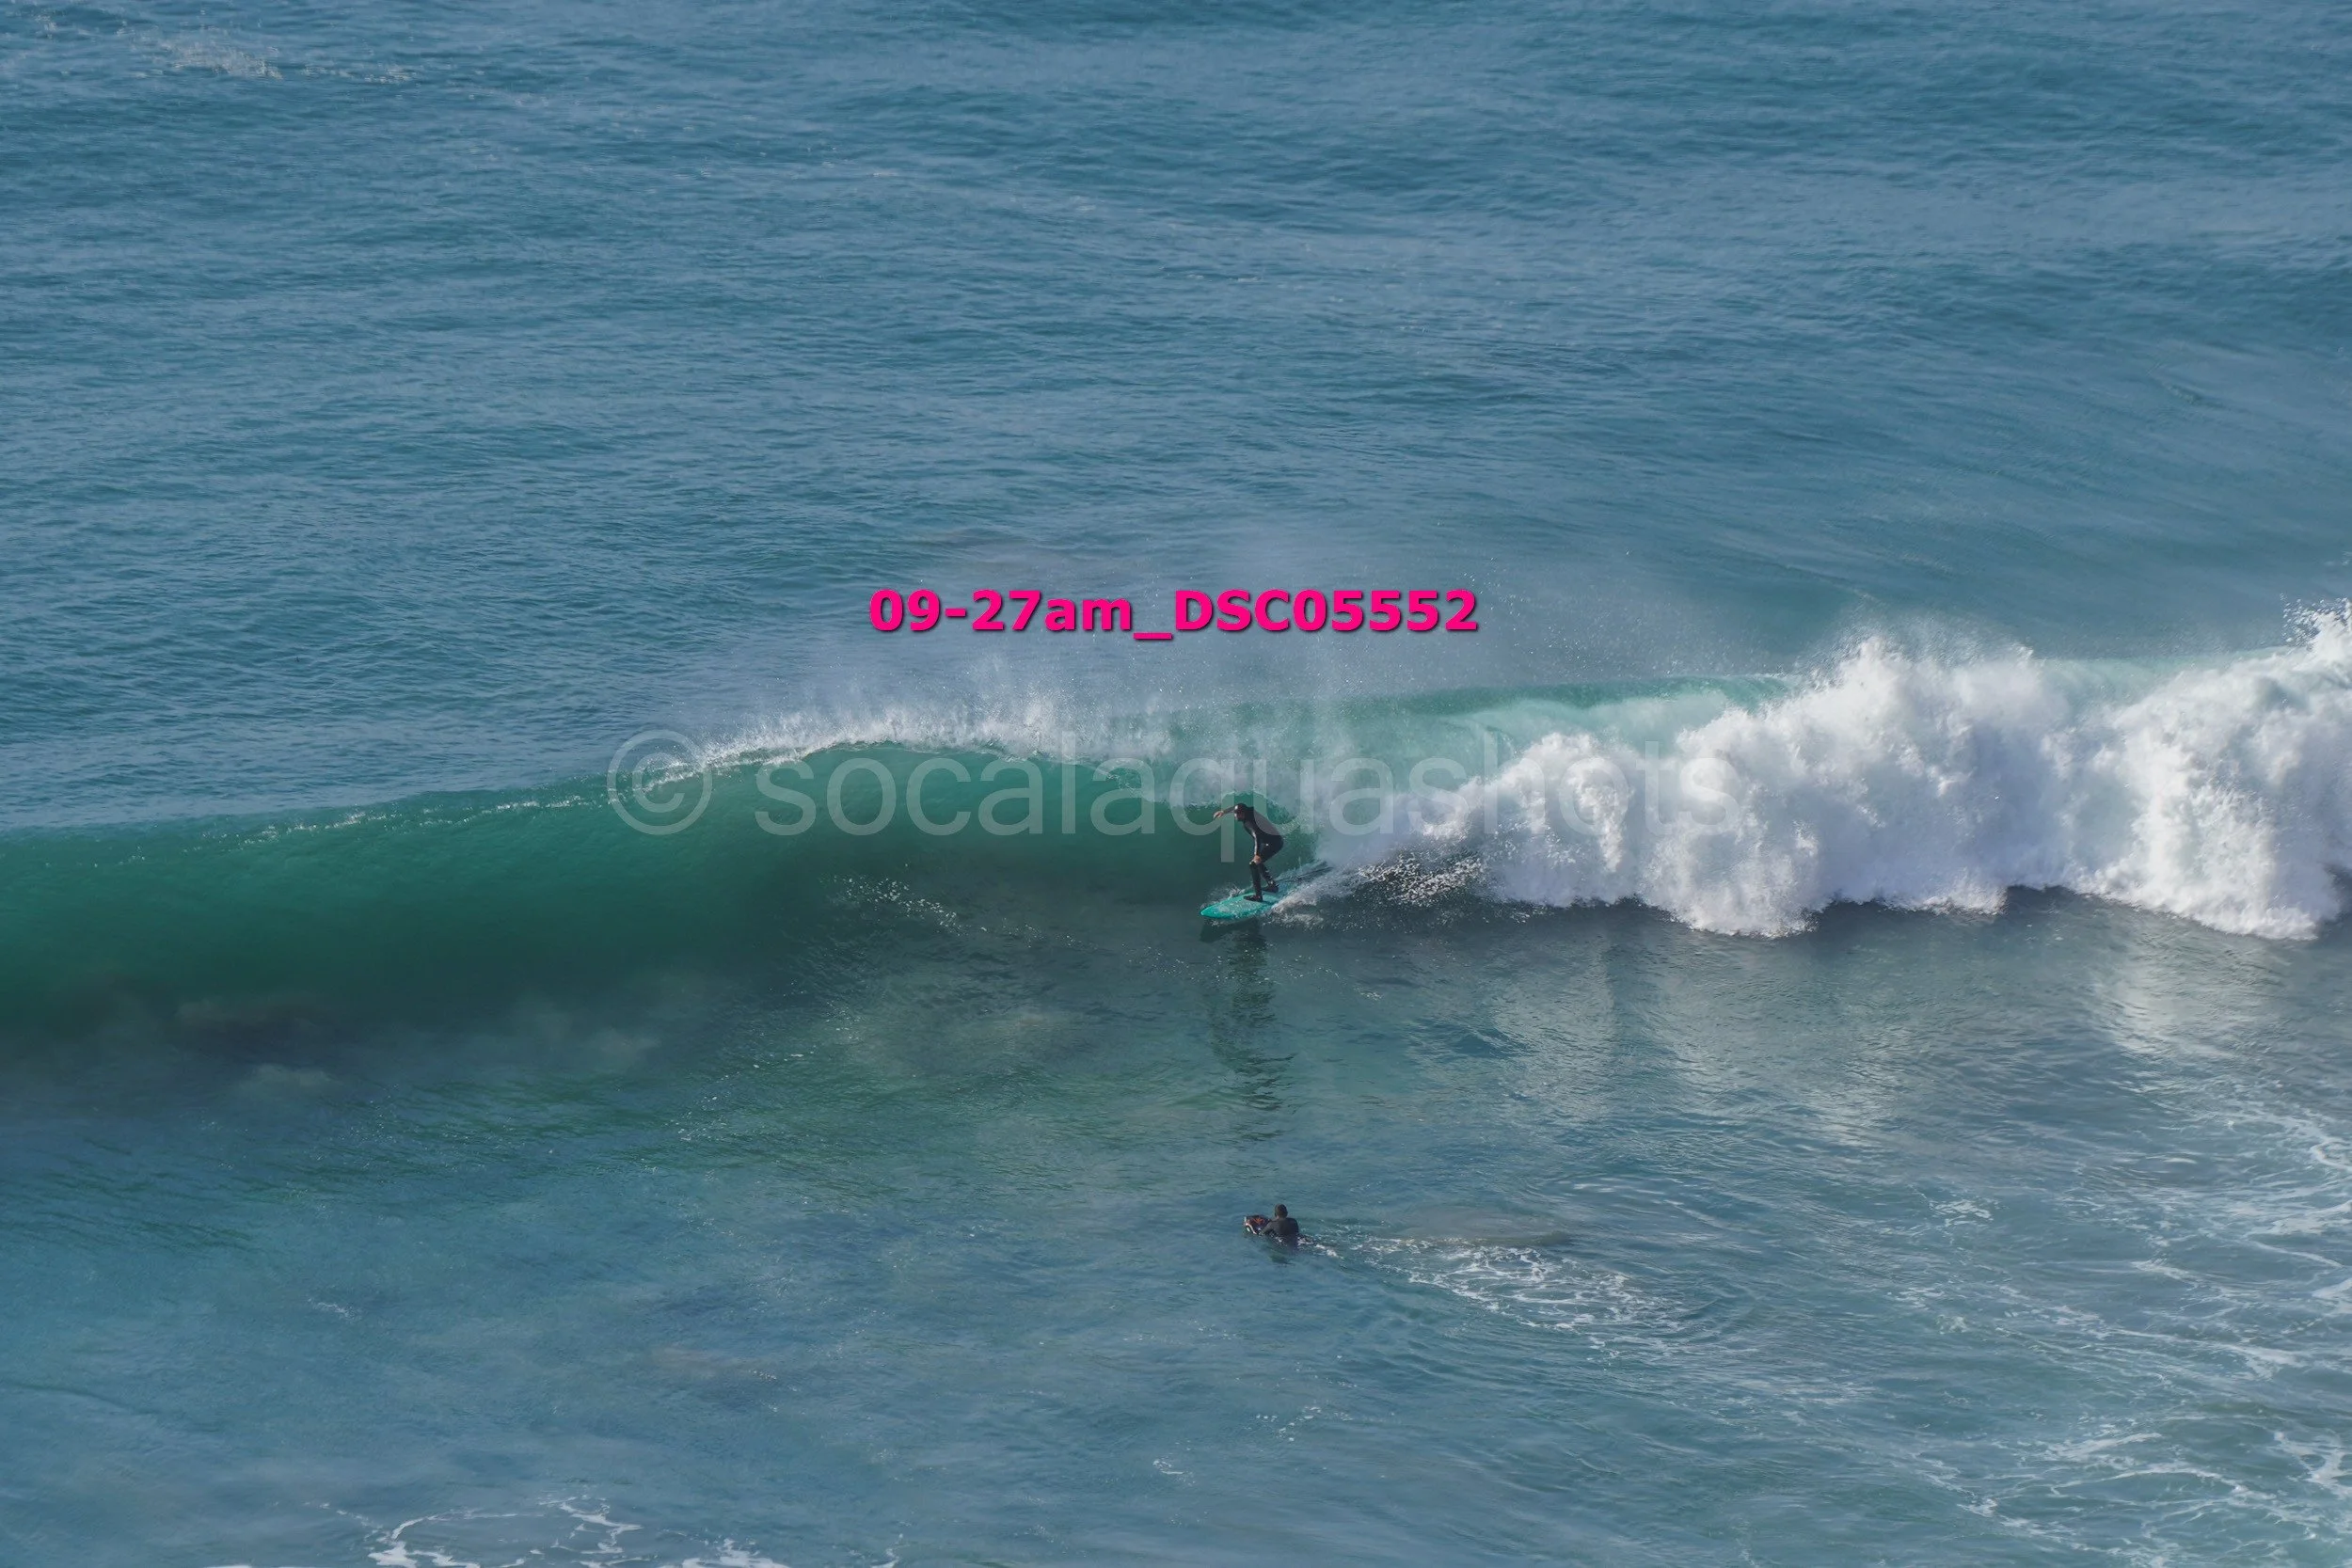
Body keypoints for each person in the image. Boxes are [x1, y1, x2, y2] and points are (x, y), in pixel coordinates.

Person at [1212, 801, 1284, 900]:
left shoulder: (1248, 823)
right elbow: (1237, 807)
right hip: (1275, 840)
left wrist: (1257, 854)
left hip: (1274, 844)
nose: (1235, 815)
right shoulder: (1249, 810)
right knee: (1258, 862)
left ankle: (1258, 896)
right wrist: (1224, 811)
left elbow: (1257, 836)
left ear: (1242, 814)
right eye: (1235, 813)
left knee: (1254, 864)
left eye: (1237, 814)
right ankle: (1272, 885)